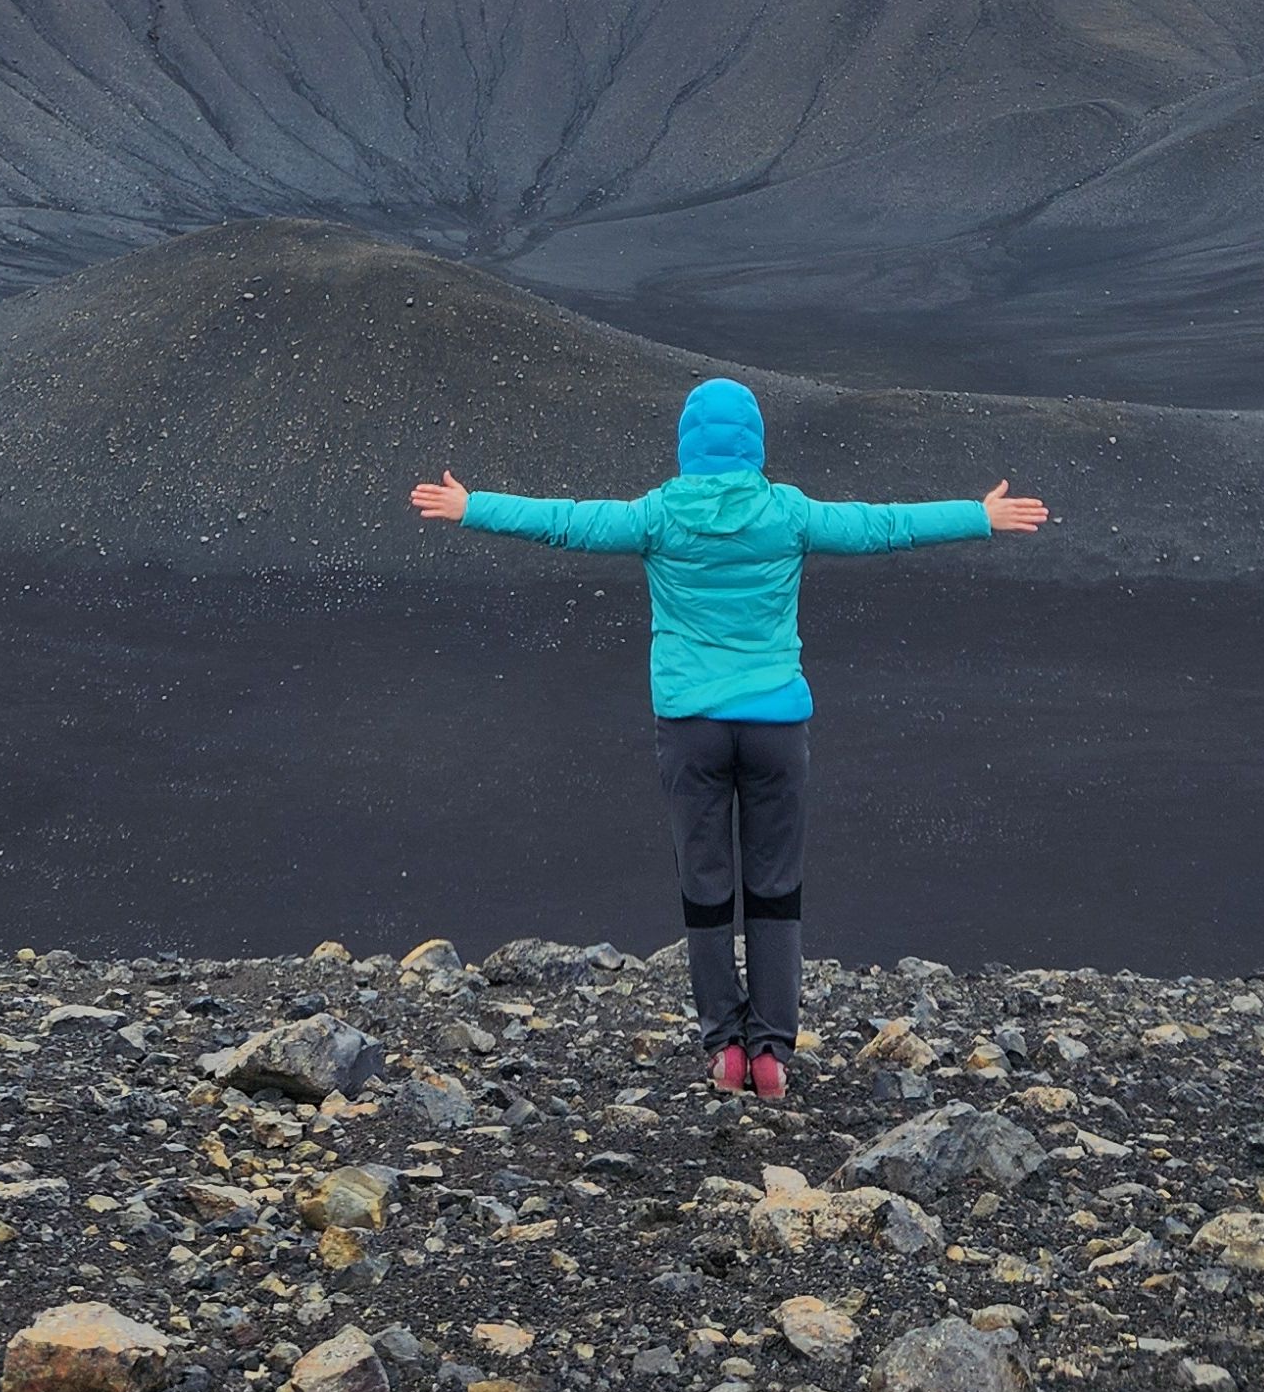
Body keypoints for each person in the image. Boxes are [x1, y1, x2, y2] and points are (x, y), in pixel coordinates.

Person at [410, 377, 1047, 1098]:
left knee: (705, 890)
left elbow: (567, 522)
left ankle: (726, 1052)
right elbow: (883, 526)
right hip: (776, 727)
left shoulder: (657, 516)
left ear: (688, 445)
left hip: (691, 729)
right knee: (775, 891)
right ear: (754, 445)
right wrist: (978, 515)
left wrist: (471, 507)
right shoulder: (788, 513)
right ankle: (771, 1053)